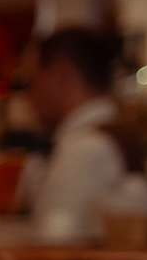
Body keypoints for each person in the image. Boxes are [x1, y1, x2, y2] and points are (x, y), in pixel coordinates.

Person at [22, 27, 135, 240]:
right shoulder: (117, 135)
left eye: (33, 83)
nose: (30, 99)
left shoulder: (84, 150)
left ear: (62, 73)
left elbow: (53, 253)